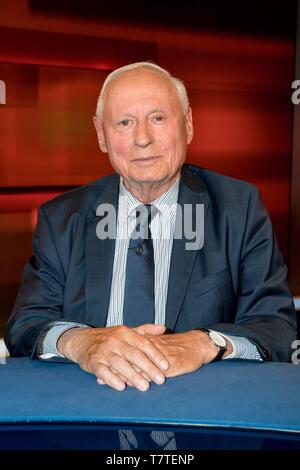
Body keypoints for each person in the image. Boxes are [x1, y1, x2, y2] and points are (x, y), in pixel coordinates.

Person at [5, 62, 297, 397]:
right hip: (87, 411)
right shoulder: (61, 218)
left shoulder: (238, 208)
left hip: (199, 412)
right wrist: (80, 341)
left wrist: (206, 342)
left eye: (158, 118)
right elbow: (25, 326)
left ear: (187, 125)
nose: (142, 138)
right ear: (101, 134)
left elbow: (278, 329)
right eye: (124, 122)